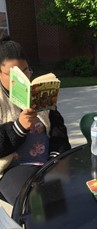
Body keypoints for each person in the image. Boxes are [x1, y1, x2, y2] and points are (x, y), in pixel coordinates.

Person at [0, 35, 71, 205]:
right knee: (37, 203)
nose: (22, 78)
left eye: (26, 71)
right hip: (14, 168)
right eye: (13, 74)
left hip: (47, 161)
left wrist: (56, 156)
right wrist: (18, 127)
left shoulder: (37, 92)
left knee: (72, 194)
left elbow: (58, 130)